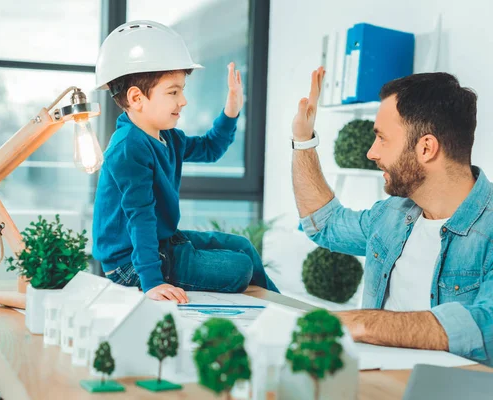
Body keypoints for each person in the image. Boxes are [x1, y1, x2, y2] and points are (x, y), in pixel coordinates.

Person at [291, 66, 493, 365]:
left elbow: (486, 326)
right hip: (378, 380)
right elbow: (326, 225)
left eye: (382, 139)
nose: (371, 153)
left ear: (426, 148)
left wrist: (363, 323)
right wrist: (303, 139)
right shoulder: (394, 215)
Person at [92, 20, 279, 304]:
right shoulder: (127, 148)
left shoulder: (168, 137)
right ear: (136, 98)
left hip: (161, 243)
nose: (184, 101)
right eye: (173, 92)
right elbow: (140, 217)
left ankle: (283, 311)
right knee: (241, 269)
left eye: (182, 90)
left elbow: (210, 149)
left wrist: (231, 111)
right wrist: (152, 283)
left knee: (244, 247)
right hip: (130, 265)